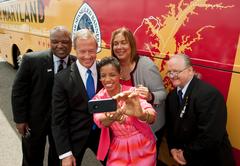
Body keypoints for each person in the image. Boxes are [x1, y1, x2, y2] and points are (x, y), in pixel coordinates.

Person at [11, 26, 76, 166]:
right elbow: (19, 91)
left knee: (58, 158)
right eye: (55, 41)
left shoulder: (77, 63)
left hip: (61, 123)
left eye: (65, 42)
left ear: (71, 43)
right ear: (49, 42)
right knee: (32, 158)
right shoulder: (31, 60)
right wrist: (20, 119)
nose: (60, 46)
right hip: (34, 121)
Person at [165, 54, 235, 166]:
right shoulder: (172, 96)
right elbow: (170, 126)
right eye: (170, 72)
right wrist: (172, 148)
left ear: (190, 70)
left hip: (210, 161)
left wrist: (186, 155)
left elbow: (211, 136)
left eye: (176, 71)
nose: (172, 76)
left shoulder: (208, 94)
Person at [110, 27, 167, 164]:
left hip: (147, 128)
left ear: (131, 44)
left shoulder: (145, 65)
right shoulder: (113, 66)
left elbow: (162, 93)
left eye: (123, 42)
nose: (119, 47)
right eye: (116, 44)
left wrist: (150, 96)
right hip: (124, 133)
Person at [51, 29, 103, 166]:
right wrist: (65, 153)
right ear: (75, 49)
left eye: (91, 51)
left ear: (97, 49)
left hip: (102, 135)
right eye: (82, 51)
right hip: (75, 137)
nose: (87, 56)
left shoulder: (105, 72)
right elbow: (58, 119)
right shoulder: (62, 79)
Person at [93, 56, 156, 165]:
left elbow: (152, 116)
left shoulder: (131, 92)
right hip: (118, 147)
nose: (107, 79)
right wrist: (113, 117)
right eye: (103, 76)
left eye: (112, 75)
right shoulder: (99, 99)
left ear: (119, 74)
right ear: (100, 78)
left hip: (143, 144)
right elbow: (100, 122)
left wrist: (142, 115)